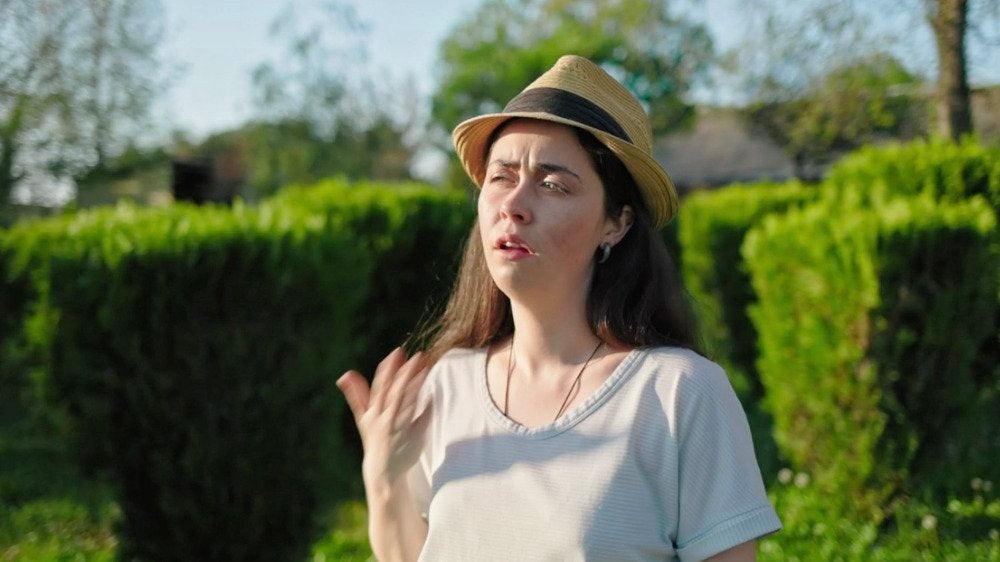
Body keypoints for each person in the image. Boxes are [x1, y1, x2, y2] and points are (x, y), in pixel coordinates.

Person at [337, 55, 781, 561]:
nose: (514, 205)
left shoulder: (678, 392)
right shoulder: (445, 385)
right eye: (501, 177)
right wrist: (384, 474)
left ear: (616, 223)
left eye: (553, 185)